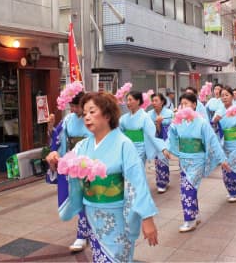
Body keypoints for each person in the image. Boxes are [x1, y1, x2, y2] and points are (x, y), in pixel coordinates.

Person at [47, 92, 158, 262]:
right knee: (99, 258)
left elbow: (137, 183)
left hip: (117, 216)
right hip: (92, 213)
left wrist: (147, 218)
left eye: (92, 112)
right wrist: (56, 160)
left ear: (107, 114)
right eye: (85, 114)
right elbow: (68, 166)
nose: (87, 117)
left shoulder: (124, 144)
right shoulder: (83, 145)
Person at [168, 93, 227, 233]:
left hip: (197, 160)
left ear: (194, 105)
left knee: (187, 189)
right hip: (184, 160)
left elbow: (212, 140)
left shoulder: (201, 122)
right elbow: (171, 136)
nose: (183, 107)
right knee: (191, 188)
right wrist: (166, 148)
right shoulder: (178, 121)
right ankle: (196, 214)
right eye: (181, 104)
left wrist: (222, 159)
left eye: (186, 103)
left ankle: (190, 220)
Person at [57, 92, 93, 252]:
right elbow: (58, 139)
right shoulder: (68, 120)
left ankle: (89, 232)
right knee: (78, 198)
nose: (73, 109)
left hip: (90, 163)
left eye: (76, 106)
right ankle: (82, 234)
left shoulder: (91, 119)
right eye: (71, 105)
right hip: (73, 163)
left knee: (91, 199)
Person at [119, 91, 169, 165]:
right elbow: (119, 133)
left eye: (130, 100)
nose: (128, 103)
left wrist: (163, 148)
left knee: (137, 169)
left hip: (140, 149)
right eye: (127, 100)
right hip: (127, 148)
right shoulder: (123, 118)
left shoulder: (145, 117)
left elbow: (152, 135)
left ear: (138, 101)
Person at [147, 93, 173, 193]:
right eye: (152, 101)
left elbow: (172, 128)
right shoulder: (149, 114)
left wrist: (162, 125)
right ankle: (162, 181)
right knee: (158, 161)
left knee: (163, 159)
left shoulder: (169, 113)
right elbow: (149, 130)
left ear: (162, 102)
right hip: (155, 140)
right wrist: (157, 124)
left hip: (167, 139)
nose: (154, 103)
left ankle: (163, 182)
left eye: (156, 100)